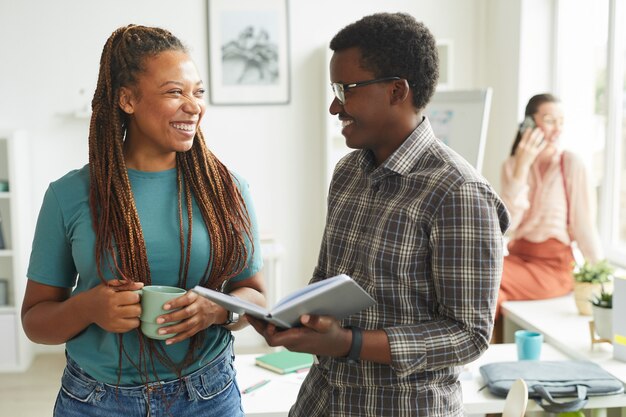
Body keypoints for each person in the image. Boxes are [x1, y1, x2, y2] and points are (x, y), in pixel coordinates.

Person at [248, 12, 509, 417]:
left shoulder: (458, 191)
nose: (335, 106)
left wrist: (350, 343)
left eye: (345, 89)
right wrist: (292, 322)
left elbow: (469, 335)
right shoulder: (348, 173)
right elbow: (326, 281)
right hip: (322, 401)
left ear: (396, 91)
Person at [21, 24, 266, 417]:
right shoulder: (68, 196)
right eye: (174, 92)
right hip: (96, 402)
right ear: (127, 100)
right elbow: (35, 321)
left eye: (197, 92)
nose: (193, 106)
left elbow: (254, 296)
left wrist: (218, 311)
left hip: (208, 396)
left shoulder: (227, 189)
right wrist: (86, 308)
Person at [496, 93, 603, 329]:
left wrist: (601, 280)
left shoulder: (571, 164)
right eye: (550, 121)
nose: (558, 130)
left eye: (561, 122)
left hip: (554, 268)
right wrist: (522, 168)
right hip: (517, 258)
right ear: (529, 124)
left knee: (487, 280)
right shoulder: (512, 165)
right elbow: (507, 226)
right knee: (481, 280)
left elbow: (585, 228)